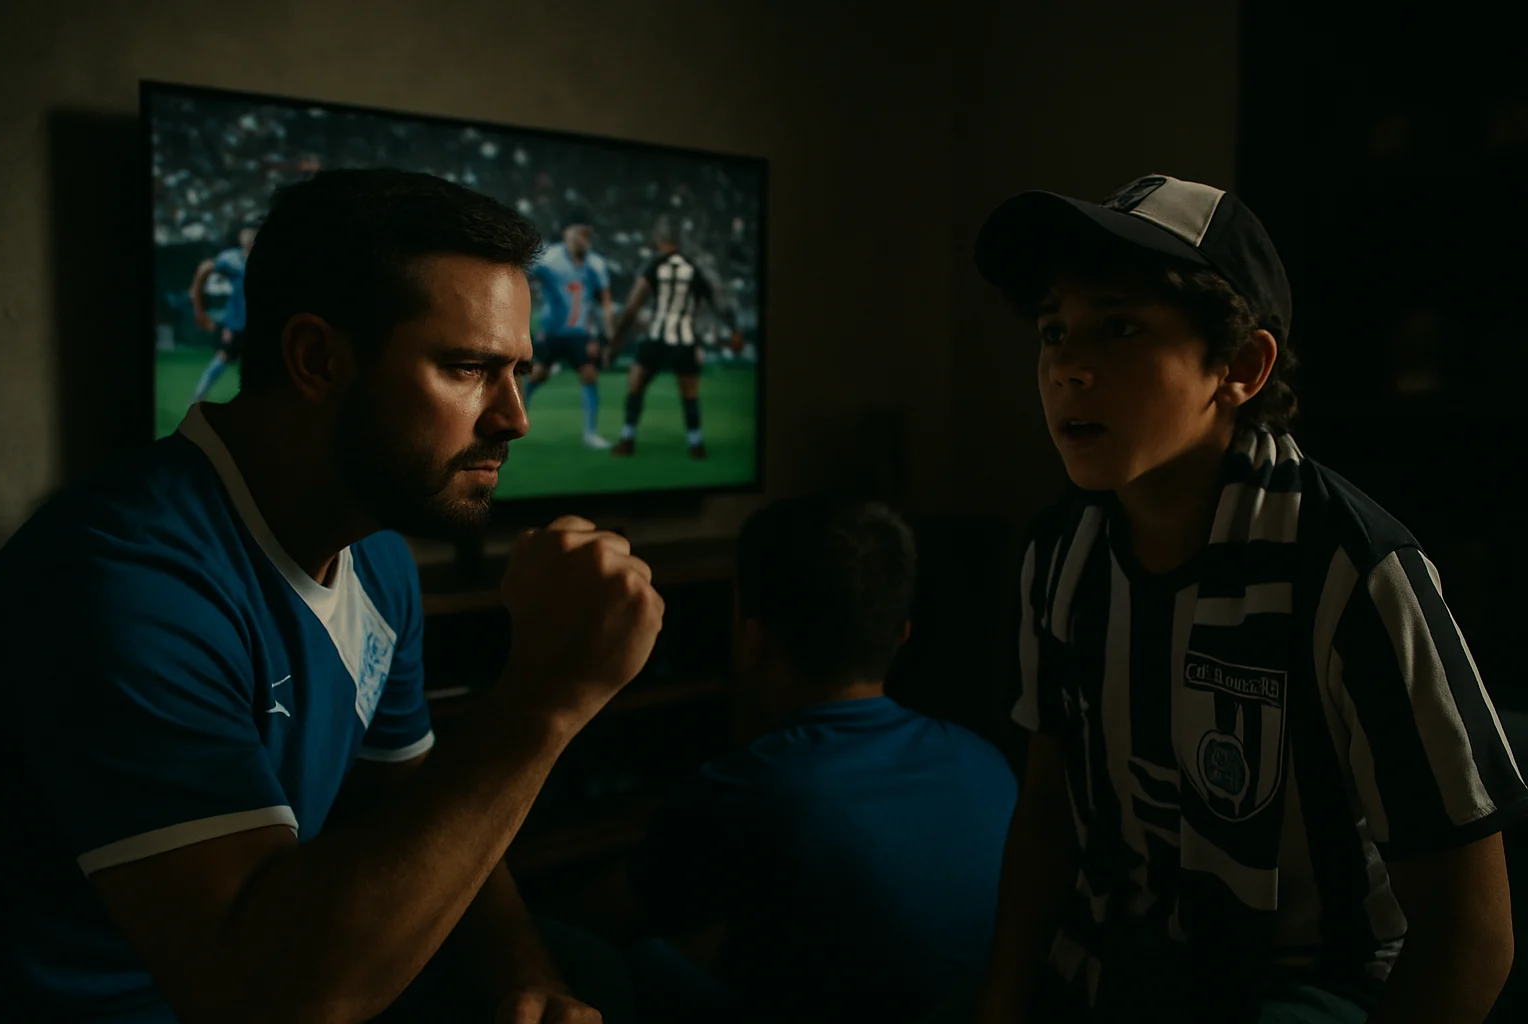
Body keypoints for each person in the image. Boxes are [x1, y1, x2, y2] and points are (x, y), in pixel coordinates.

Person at [0, 168, 663, 1023]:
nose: (514, 417)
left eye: (518, 372)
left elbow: (418, 807)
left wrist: (523, 981)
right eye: (468, 368)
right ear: (316, 359)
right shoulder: (118, 576)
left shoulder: (377, 552)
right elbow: (262, 1000)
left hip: (302, 964)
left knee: (592, 976)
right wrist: (545, 699)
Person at [968, 174, 1524, 1023]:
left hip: (1306, 981)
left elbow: (1471, 932)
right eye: (1054, 330)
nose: (1068, 367)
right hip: (1115, 959)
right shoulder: (1061, 552)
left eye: (1119, 327)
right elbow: (1048, 813)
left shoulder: (1352, 571)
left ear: (1240, 367)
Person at [581, 496, 1018, 1023]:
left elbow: (599, 919)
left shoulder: (750, 790)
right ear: (902, 635)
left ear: (754, 639)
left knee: (597, 955)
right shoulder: (987, 762)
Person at [608, 219, 743, 460]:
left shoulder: (654, 266)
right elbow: (718, 303)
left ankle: (627, 440)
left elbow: (631, 308)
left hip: (657, 338)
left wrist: (616, 340)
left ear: (659, 240)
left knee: (636, 386)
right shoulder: (693, 269)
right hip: (685, 341)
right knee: (690, 394)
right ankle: (696, 445)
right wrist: (734, 330)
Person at [525, 210, 616, 449]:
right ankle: (510, 425)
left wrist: (606, 333)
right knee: (537, 375)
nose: (583, 239)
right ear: (567, 234)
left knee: (589, 375)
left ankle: (590, 434)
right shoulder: (548, 258)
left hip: (579, 333)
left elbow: (604, 300)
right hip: (552, 331)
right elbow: (523, 274)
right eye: (579, 233)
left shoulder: (596, 264)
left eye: (588, 234)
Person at [187, 224, 256, 402]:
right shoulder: (232, 260)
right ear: (241, 238)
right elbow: (205, 268)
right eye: (246, 235)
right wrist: (198, 308)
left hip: (260, 324)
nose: (250, 239)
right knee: (223, 358)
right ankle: (198, 398)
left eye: (254, 235)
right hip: (236, 324)